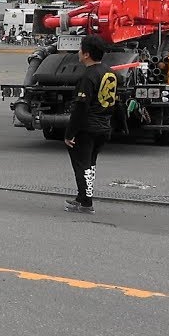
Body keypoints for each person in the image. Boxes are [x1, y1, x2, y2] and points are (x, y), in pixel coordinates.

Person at [63, 35, 117, 213]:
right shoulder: (110, 72)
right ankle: (82, 197)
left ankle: (86, 203)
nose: (78, 52)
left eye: (80, 49)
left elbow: (80, 107)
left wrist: (70, 133)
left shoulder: (88, 76)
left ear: (86, 54)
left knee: (82, 165)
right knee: (90, 165)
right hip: (103, 125)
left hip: (87, 127)